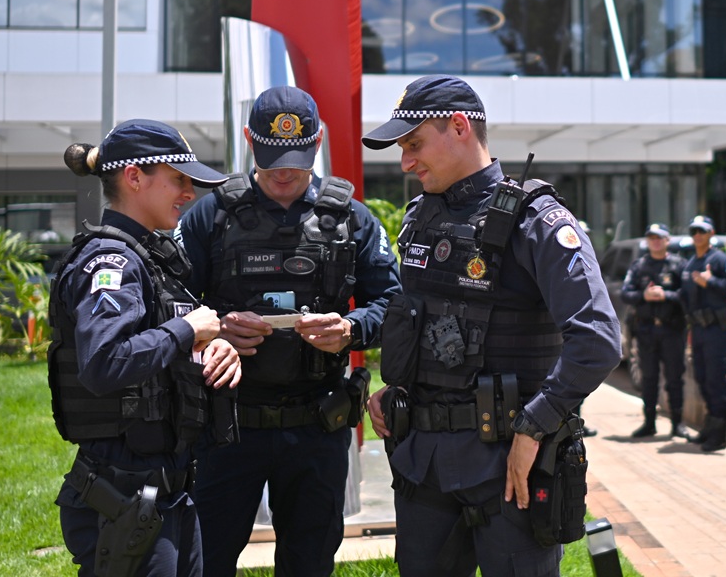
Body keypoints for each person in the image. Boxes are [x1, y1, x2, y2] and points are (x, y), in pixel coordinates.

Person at [361, 74, 621, 577]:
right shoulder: (419, 218)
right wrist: (394, 387)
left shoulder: (538, 222)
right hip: (424, 465)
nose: (405, 162)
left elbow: (598, 340)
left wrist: (534, 427)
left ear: (459, 127)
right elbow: (419, 320)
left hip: (510, 470)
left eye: (414, 145)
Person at [175, 85, 402, 577]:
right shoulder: (210, 216)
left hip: (316, 426)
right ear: (247, 141)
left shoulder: (351, 219)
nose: (284, 172)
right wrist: (212, 332)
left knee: (310, 563)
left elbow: (395, 303)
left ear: (318, 140)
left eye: (297, 159)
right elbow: (170, 308)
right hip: (226, 426)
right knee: (205, 559)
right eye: (272, 156)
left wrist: (350, 328)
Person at [49, 119, 242, 577]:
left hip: (168, 488)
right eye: (178, 179)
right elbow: (104, 362)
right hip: (123, 496)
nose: (189, 193)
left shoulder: (152, 258)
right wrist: (185, 331)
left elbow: (160, 352)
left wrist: (211, 349)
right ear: (134, 178)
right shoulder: (110, 262)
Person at [680, 215, 726, 452]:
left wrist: (712, 282)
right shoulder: (690, 264)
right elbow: (684, 297)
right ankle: (709, 427)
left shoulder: (719, 260)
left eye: (702, 231)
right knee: (701, 379)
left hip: (716, 331)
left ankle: (719, 435)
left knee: (715, 381)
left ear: (711, 233)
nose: (697, 235)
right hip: (697, 331)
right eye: (694, 231)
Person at [621, 223, 689, 439]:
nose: (656, 241)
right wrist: (644, 295)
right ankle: (649, 422)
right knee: (648, 378)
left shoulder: (678, 265)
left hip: (672, 329)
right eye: (651, 237)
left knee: (674, 377)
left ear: (667, 240)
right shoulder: (639, 266)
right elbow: (625, 293)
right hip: (646, 330)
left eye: (660, 237)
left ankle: (678, 423)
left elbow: (687, 295)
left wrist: (666, 296)